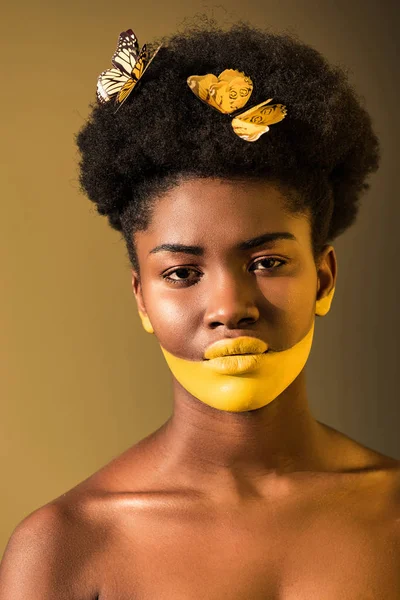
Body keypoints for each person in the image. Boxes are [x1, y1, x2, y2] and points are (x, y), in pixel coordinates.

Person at [1, 16, 399, 599]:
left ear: (324, 277)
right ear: (142, 298)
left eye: (267, 262)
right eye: (183, 273)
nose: (229, 307)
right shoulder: (68, 544)